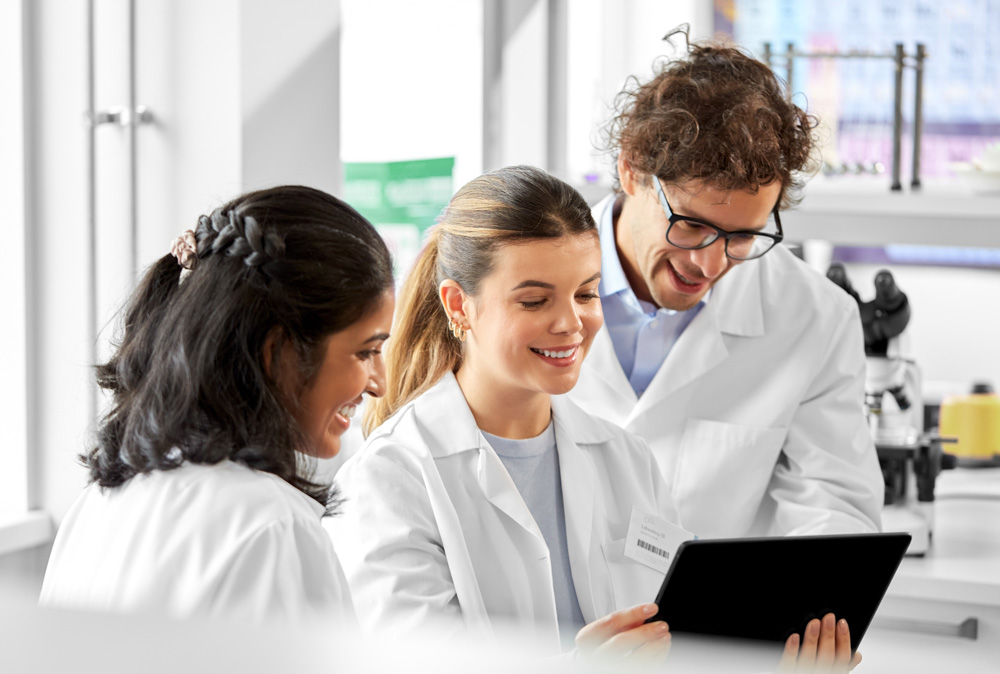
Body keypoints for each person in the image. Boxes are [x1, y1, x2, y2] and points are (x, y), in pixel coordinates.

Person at [328, 166, 858, 669]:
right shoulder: (391, 476)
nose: (571, 324)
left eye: (586, 294)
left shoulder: (625, 459)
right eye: (535, 301)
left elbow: (674, 651)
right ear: (458, 306)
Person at [569, 32, 884, 539]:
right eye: (690, 225)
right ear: (631, 168)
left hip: (707, 620)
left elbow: (832, 504)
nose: (709, 263)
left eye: (743, 235)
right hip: (544, 618)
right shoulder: (520, 283)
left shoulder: (815, 317)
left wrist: (814, 599)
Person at [39, 185, 394, 623]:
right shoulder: (272, 528)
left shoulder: (100, 503)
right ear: (277, 353)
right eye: (365, 352)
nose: (380, 383)